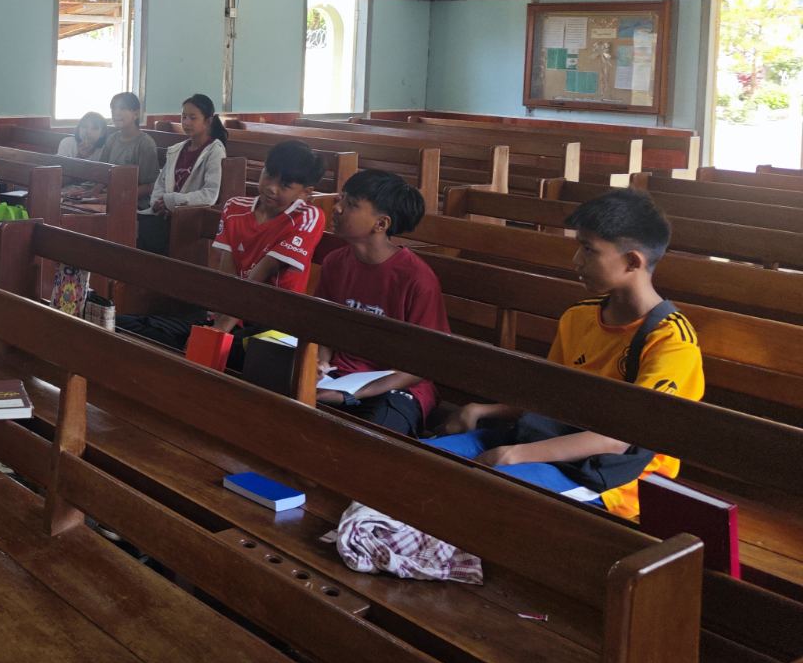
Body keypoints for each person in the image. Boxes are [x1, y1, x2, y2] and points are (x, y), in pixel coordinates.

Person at [431, 190, 704, 518]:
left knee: (476, 495)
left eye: (588, 249)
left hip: (611, 478)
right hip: (549, 441)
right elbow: (551, 396)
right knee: (422, 460)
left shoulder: (671, 341)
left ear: (632, 261)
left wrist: (515, 455)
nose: (576, 260)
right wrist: (482, 410)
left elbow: (617, 441)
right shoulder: (580, 316)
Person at [118, 139, 326, 349]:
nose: (272, 188)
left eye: (285, 185)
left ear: (306, 192)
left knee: (226, 353)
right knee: (126, 326)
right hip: (229, 311)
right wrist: (215, 324)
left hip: (271, 326)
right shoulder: (235, 208)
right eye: (269, 175)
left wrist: (217, 332)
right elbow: (227, 275)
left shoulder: (307, 217)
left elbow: (261, 275)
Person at [312, 170, 447, 438]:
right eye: (342, 198)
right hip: (339, 376)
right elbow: (323, 325)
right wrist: (320, 364)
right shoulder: (335, 262)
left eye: (351, 204)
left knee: (371, 437)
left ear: (381, 224)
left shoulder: (417, 279)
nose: (337, 208)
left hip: (398, 386)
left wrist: (350, 394)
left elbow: (422, 364)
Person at [136, 93, 227, 254]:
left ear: (208, 121)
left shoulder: (214, 151)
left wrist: (172, 202)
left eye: (193, 118)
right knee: (130, 226)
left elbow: (210, 194)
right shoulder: (177, 149)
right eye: (183, 117)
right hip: (164, 215)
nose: (186, 122)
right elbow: (160, 183)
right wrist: (159, 203)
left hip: (190, 217)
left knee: (144, 234)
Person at [99, 91, 159, 204]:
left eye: (122, 108)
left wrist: (114, 196)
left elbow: (149, 186)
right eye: (113, 108)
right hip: (110, 195)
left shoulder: (145, 143)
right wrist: (93, 193)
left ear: (136, 114)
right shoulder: (112, 139)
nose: (116, 112)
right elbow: (103, 172)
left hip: (134, 202)